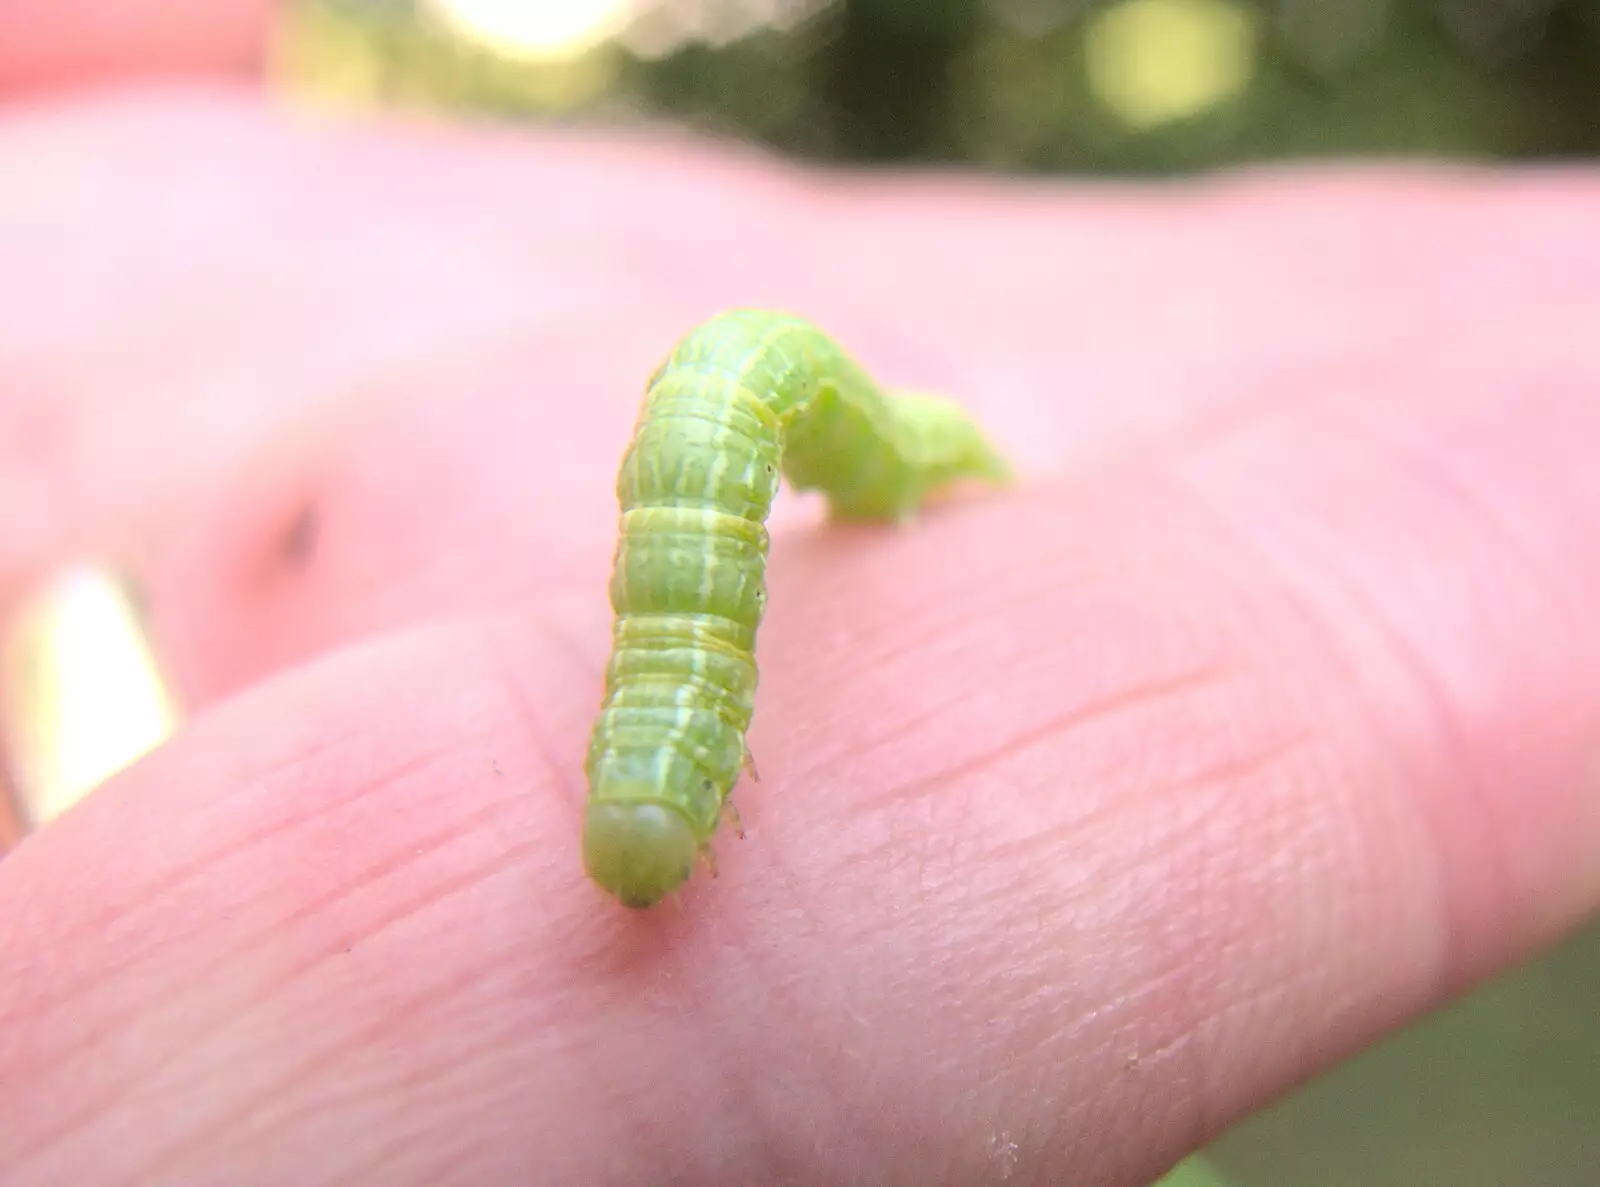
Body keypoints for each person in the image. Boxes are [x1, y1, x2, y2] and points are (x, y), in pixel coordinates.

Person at [2, 4, 1598, 1184]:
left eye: (674, 780)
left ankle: (911, 455)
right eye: (680, 780)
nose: (670, 815)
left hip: (832, 417)